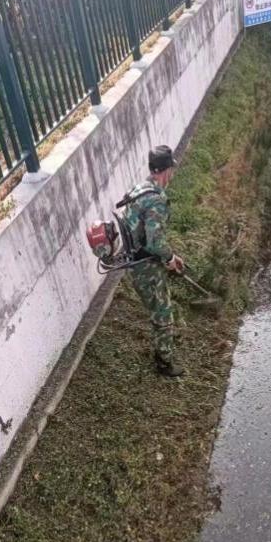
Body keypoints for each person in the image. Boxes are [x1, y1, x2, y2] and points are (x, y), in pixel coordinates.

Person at [123, 146, 185, 377]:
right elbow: (154, 241)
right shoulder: (156, 199)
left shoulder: (139, 189)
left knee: (159, 309)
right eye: (171, 169)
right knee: (163, 313)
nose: (172, 174)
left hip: (136, 261)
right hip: (146, 266)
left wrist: (170, 257)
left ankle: (162, 351)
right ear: (165, 170)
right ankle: (164, 363)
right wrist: (168, 257)